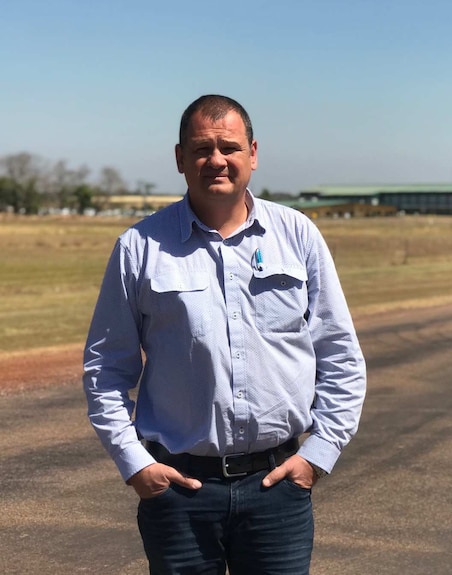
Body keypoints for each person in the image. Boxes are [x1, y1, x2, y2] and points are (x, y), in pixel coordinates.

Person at [83, 94, 367, 574]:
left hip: (277, 489)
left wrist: (318, 455)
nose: (216, 159)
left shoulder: (297, 236)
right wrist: (135, 463)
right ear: (179, 158)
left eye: (229, 147)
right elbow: (105, 369)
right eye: (201, 148)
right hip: (179, 494)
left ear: (253, 154)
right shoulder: (139, 247)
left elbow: (339, 355)